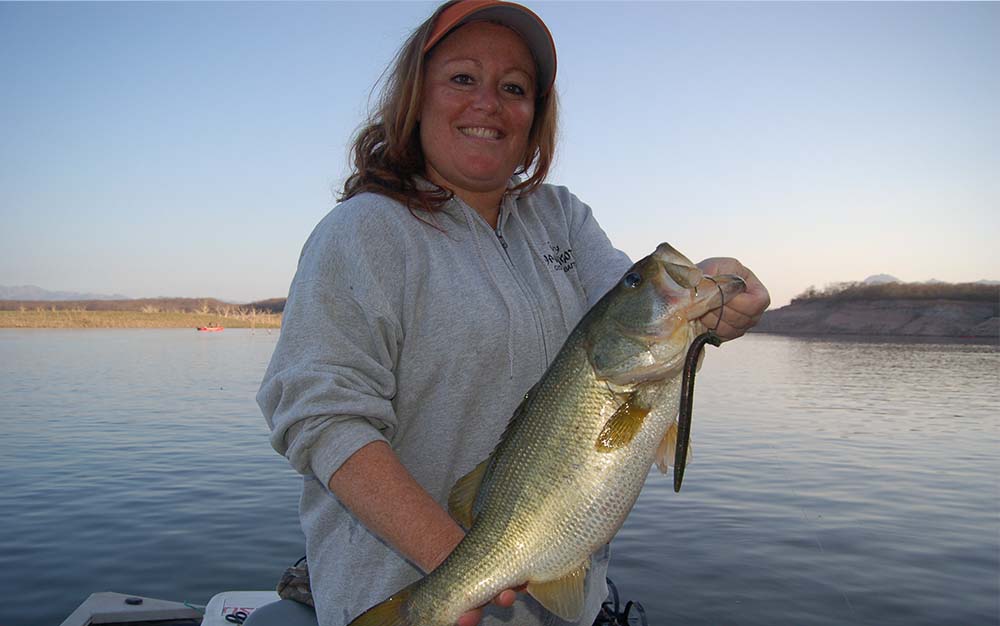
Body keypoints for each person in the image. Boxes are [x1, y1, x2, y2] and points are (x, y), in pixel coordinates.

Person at [257, 2, 770, 625]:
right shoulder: (363, 233)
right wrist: (462, 570)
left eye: (514, 88)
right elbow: (319, 414)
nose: (488, 103)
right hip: (398, 594)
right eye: (463, 78)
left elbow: (626, 315)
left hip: (558, 605)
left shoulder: (562, 218)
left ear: (535, 117)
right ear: (416, 99)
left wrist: (712, 304)